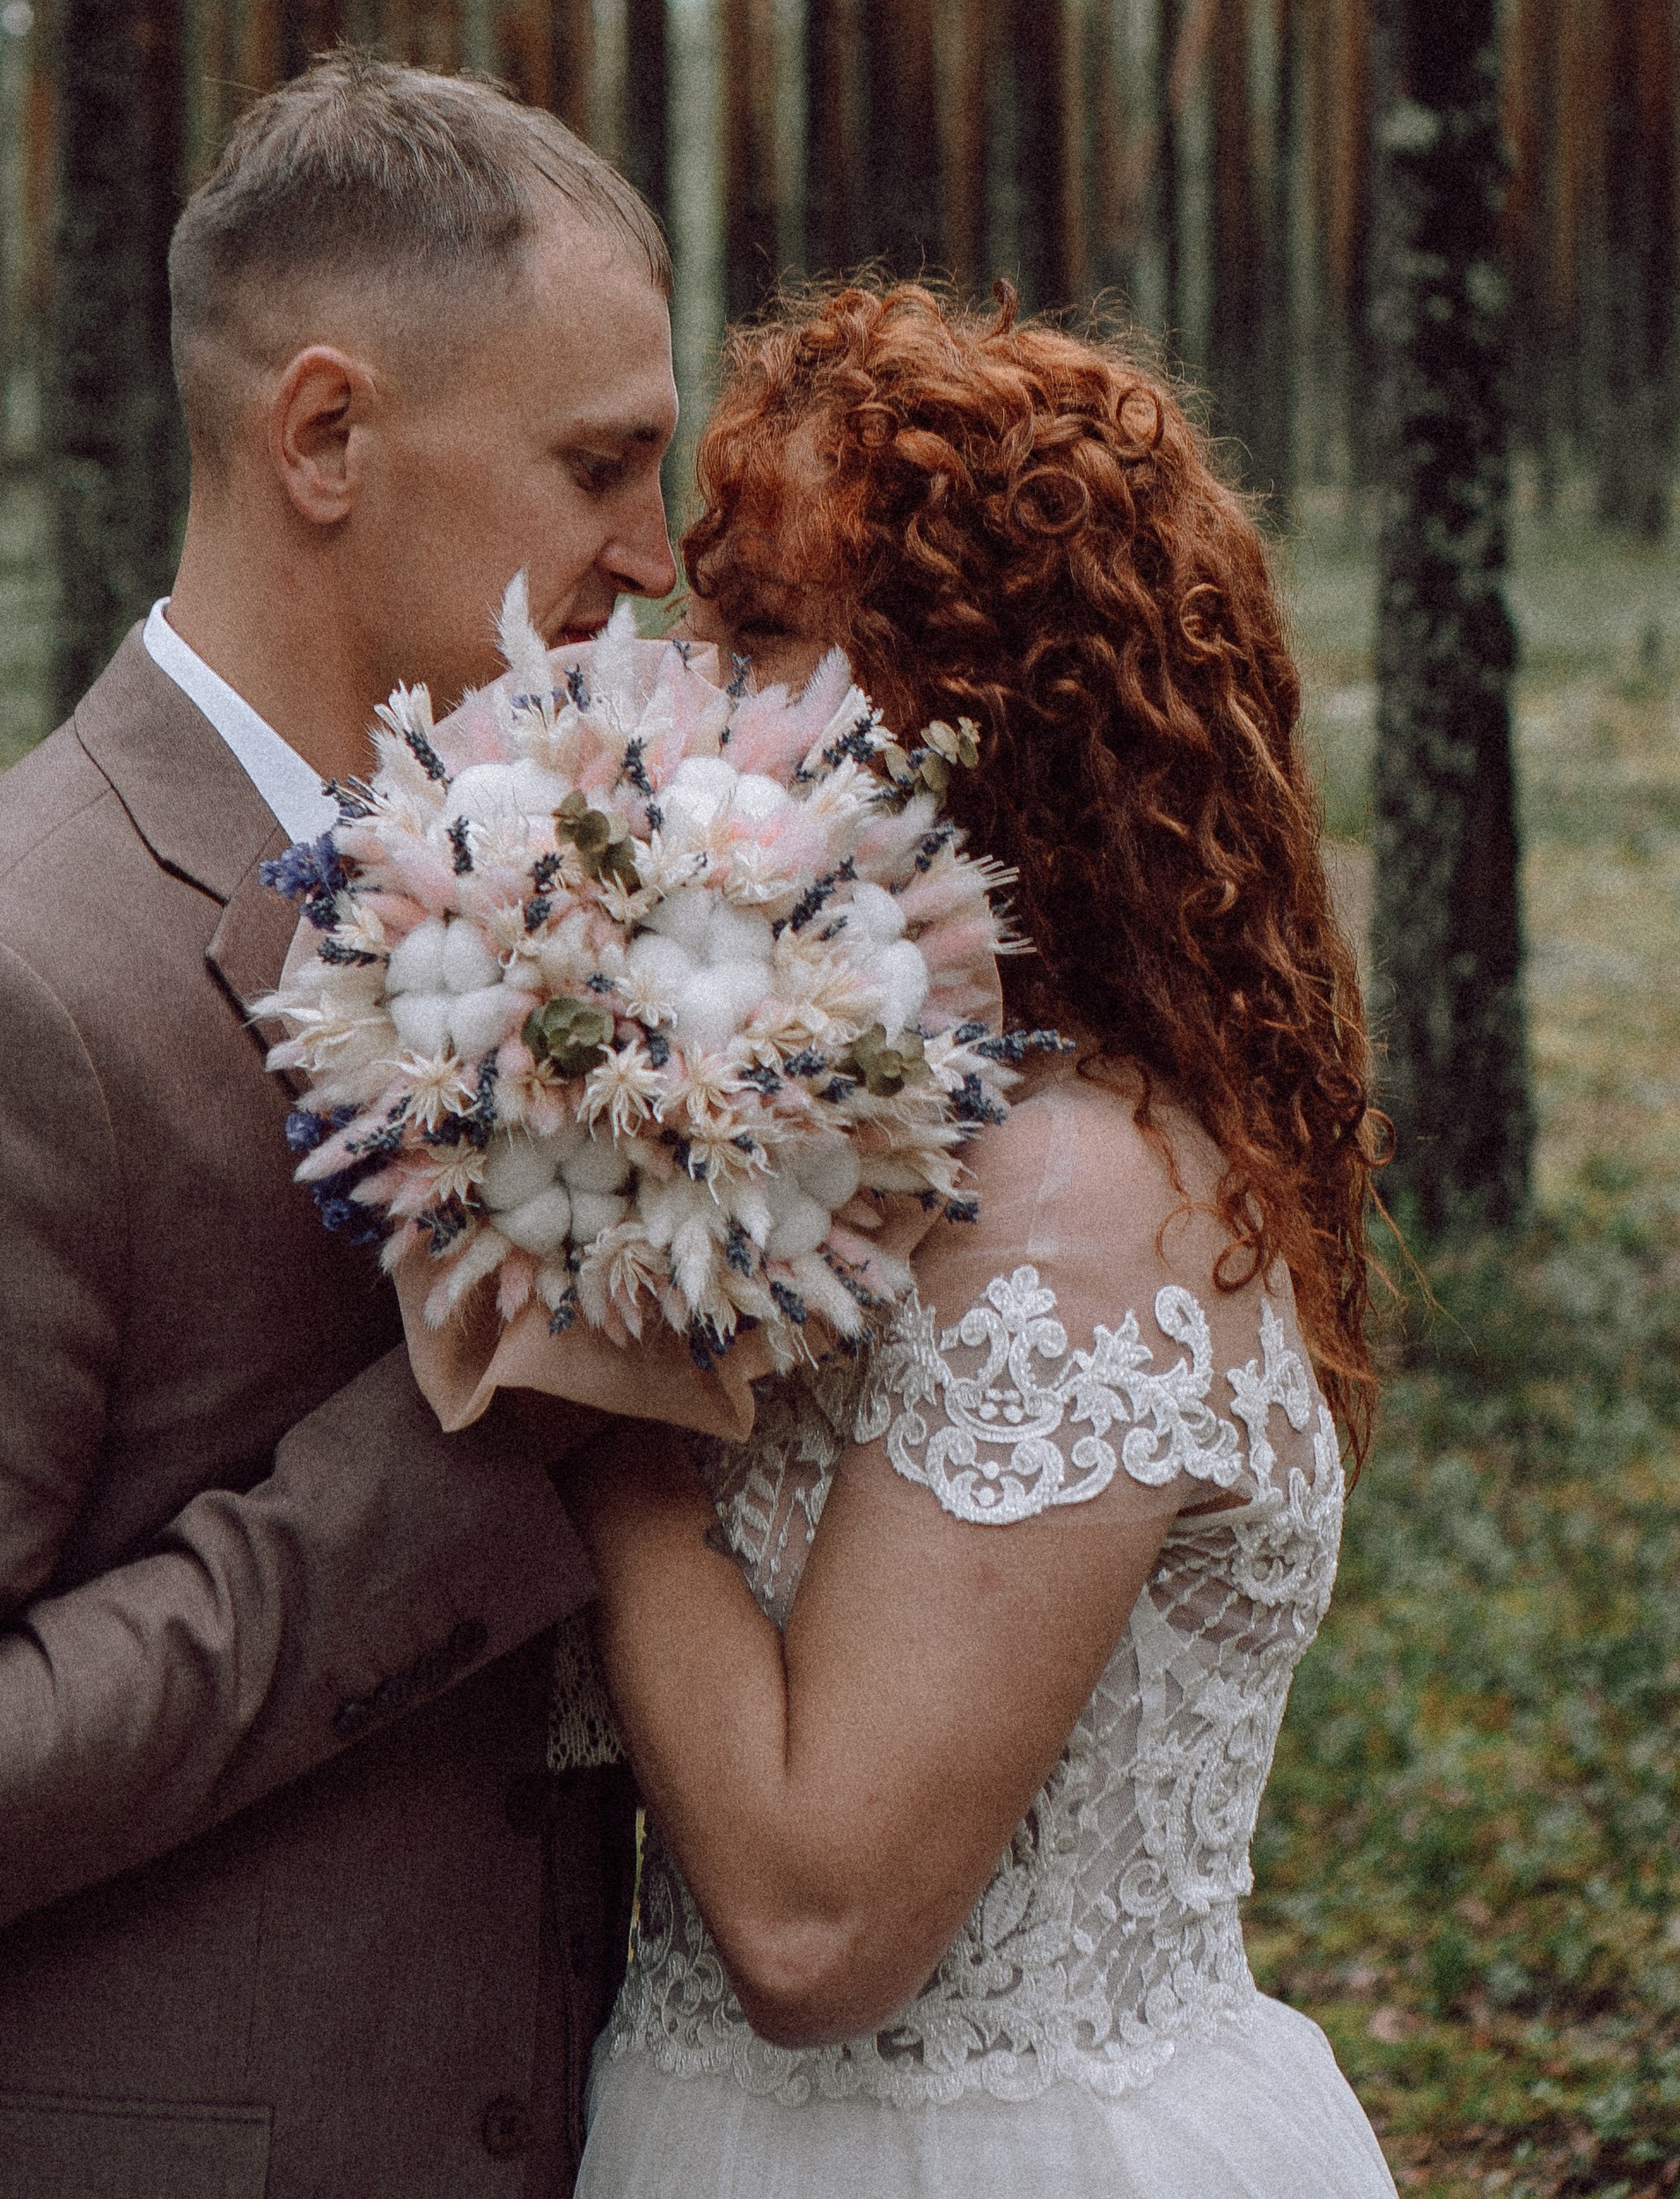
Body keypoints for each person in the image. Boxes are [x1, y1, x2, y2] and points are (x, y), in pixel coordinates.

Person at [0, 55, 678, 2199]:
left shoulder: (561, 903)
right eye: (598, 464)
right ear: (325, 436)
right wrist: (476, 1461)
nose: (652, 552)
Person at [566, 282, 1399, 2199]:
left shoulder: (1068, 1208)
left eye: (757, 630)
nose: (685, 689)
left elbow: (810, 1927)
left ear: (978, 701)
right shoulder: (892, 1121)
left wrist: (589, 1391)